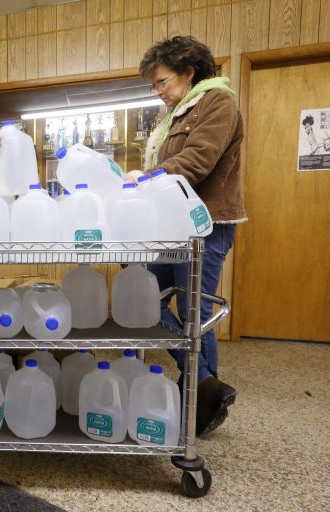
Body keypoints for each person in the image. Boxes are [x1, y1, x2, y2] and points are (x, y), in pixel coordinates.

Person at [135, 35, 247, 437]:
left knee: (194, 313)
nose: (158, 91)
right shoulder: (173, 116)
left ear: (189, 73)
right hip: (172, 228)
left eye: (162, 82)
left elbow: (197, 161)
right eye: (154, 85)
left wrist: (143, 177)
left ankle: (200, 398)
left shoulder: (218, 103)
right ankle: (206, 383)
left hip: (206, 225)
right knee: (146, 298)